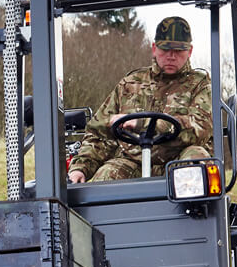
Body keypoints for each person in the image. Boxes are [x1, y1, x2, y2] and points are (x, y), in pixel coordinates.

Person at [67, 16, 212, 183]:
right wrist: (81, 168)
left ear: (190, 51)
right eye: (165, 49)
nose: (171, 56)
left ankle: (195, 210)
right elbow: (99, 133)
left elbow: (198, 129)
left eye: (178, 50)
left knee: (196, 160)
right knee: (106, 174)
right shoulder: (130, 84)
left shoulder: (201, 85)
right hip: (132, 162)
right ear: (154, 48)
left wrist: (143, 124)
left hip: (177, 162)